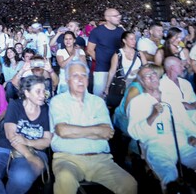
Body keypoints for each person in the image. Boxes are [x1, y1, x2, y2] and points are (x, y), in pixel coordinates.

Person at [127, 64, 196, 194]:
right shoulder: (137, 102)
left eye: (153, 74)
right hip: (157, 146)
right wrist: (153, 116)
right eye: (147, 76)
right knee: (170, 178)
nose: (152, 77)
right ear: (141, 82)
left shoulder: (172, 98)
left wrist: (193, 135)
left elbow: (186, 122)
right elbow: (134, 133)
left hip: (182, 142)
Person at [49, 59, 137, 194]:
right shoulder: (58, 101)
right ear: (67, 80)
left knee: (129, 184)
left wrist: (75, 130)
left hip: (101, 160)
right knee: (65, 179)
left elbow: (107, 133)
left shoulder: (98, 102)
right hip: (68, 159)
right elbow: (63, 131)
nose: (80, 79)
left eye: (84, 75)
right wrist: (95, 131)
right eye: (75, 75)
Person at [0, 75, 51, 194]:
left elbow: (47, 141)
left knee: (21, 177)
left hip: (35, 150)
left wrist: (27, 142)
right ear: (27, 93)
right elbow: (10, 135)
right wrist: (29, 155)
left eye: (44, 91)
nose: (42, 95)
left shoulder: (46, 110)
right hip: (5, 146)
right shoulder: (15, 105)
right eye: (38, 91)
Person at [86, 8, 125, 97]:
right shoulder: (96, 31)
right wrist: (100, 60)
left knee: (118, 97)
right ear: (107, 18)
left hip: (118, 70)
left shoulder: (121, 31)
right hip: (102, 70)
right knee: (100, 98)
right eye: (115, 16)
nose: (119, 17)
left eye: (119, 15)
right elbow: (90, 50)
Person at [104, 31, 145, 101]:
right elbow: (112, 71)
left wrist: (138, 70)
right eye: (131, 39)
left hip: (138, 83)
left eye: (135, 39)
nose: (134, 41)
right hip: (123, 84)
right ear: (124, 40)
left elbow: (146, 68)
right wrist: (107, 87)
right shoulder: (118, 54)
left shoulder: (139, 54)